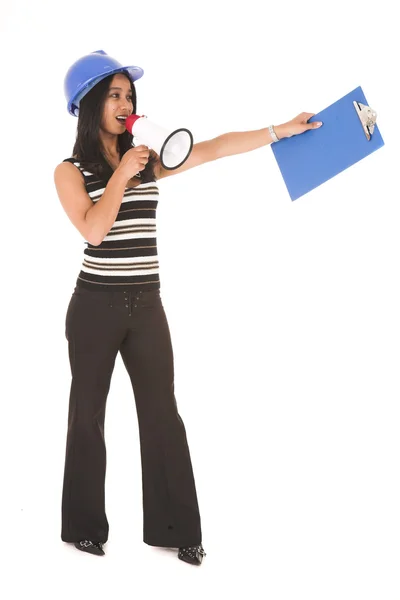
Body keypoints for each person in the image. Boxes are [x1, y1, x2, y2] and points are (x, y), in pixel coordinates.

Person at [54, 49, 323, 566]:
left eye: (129, 95)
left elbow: (216, 148)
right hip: (94, 308)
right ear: (89, 105)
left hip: (146, 306)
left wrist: (278, 131)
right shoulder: (67, 171)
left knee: (163, 414)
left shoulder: (147, 158)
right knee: (86, 416)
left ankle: (178, 529)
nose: (125, 102)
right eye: (114, 95)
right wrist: (119, 177)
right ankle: (84, 526)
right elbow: (93, 228)